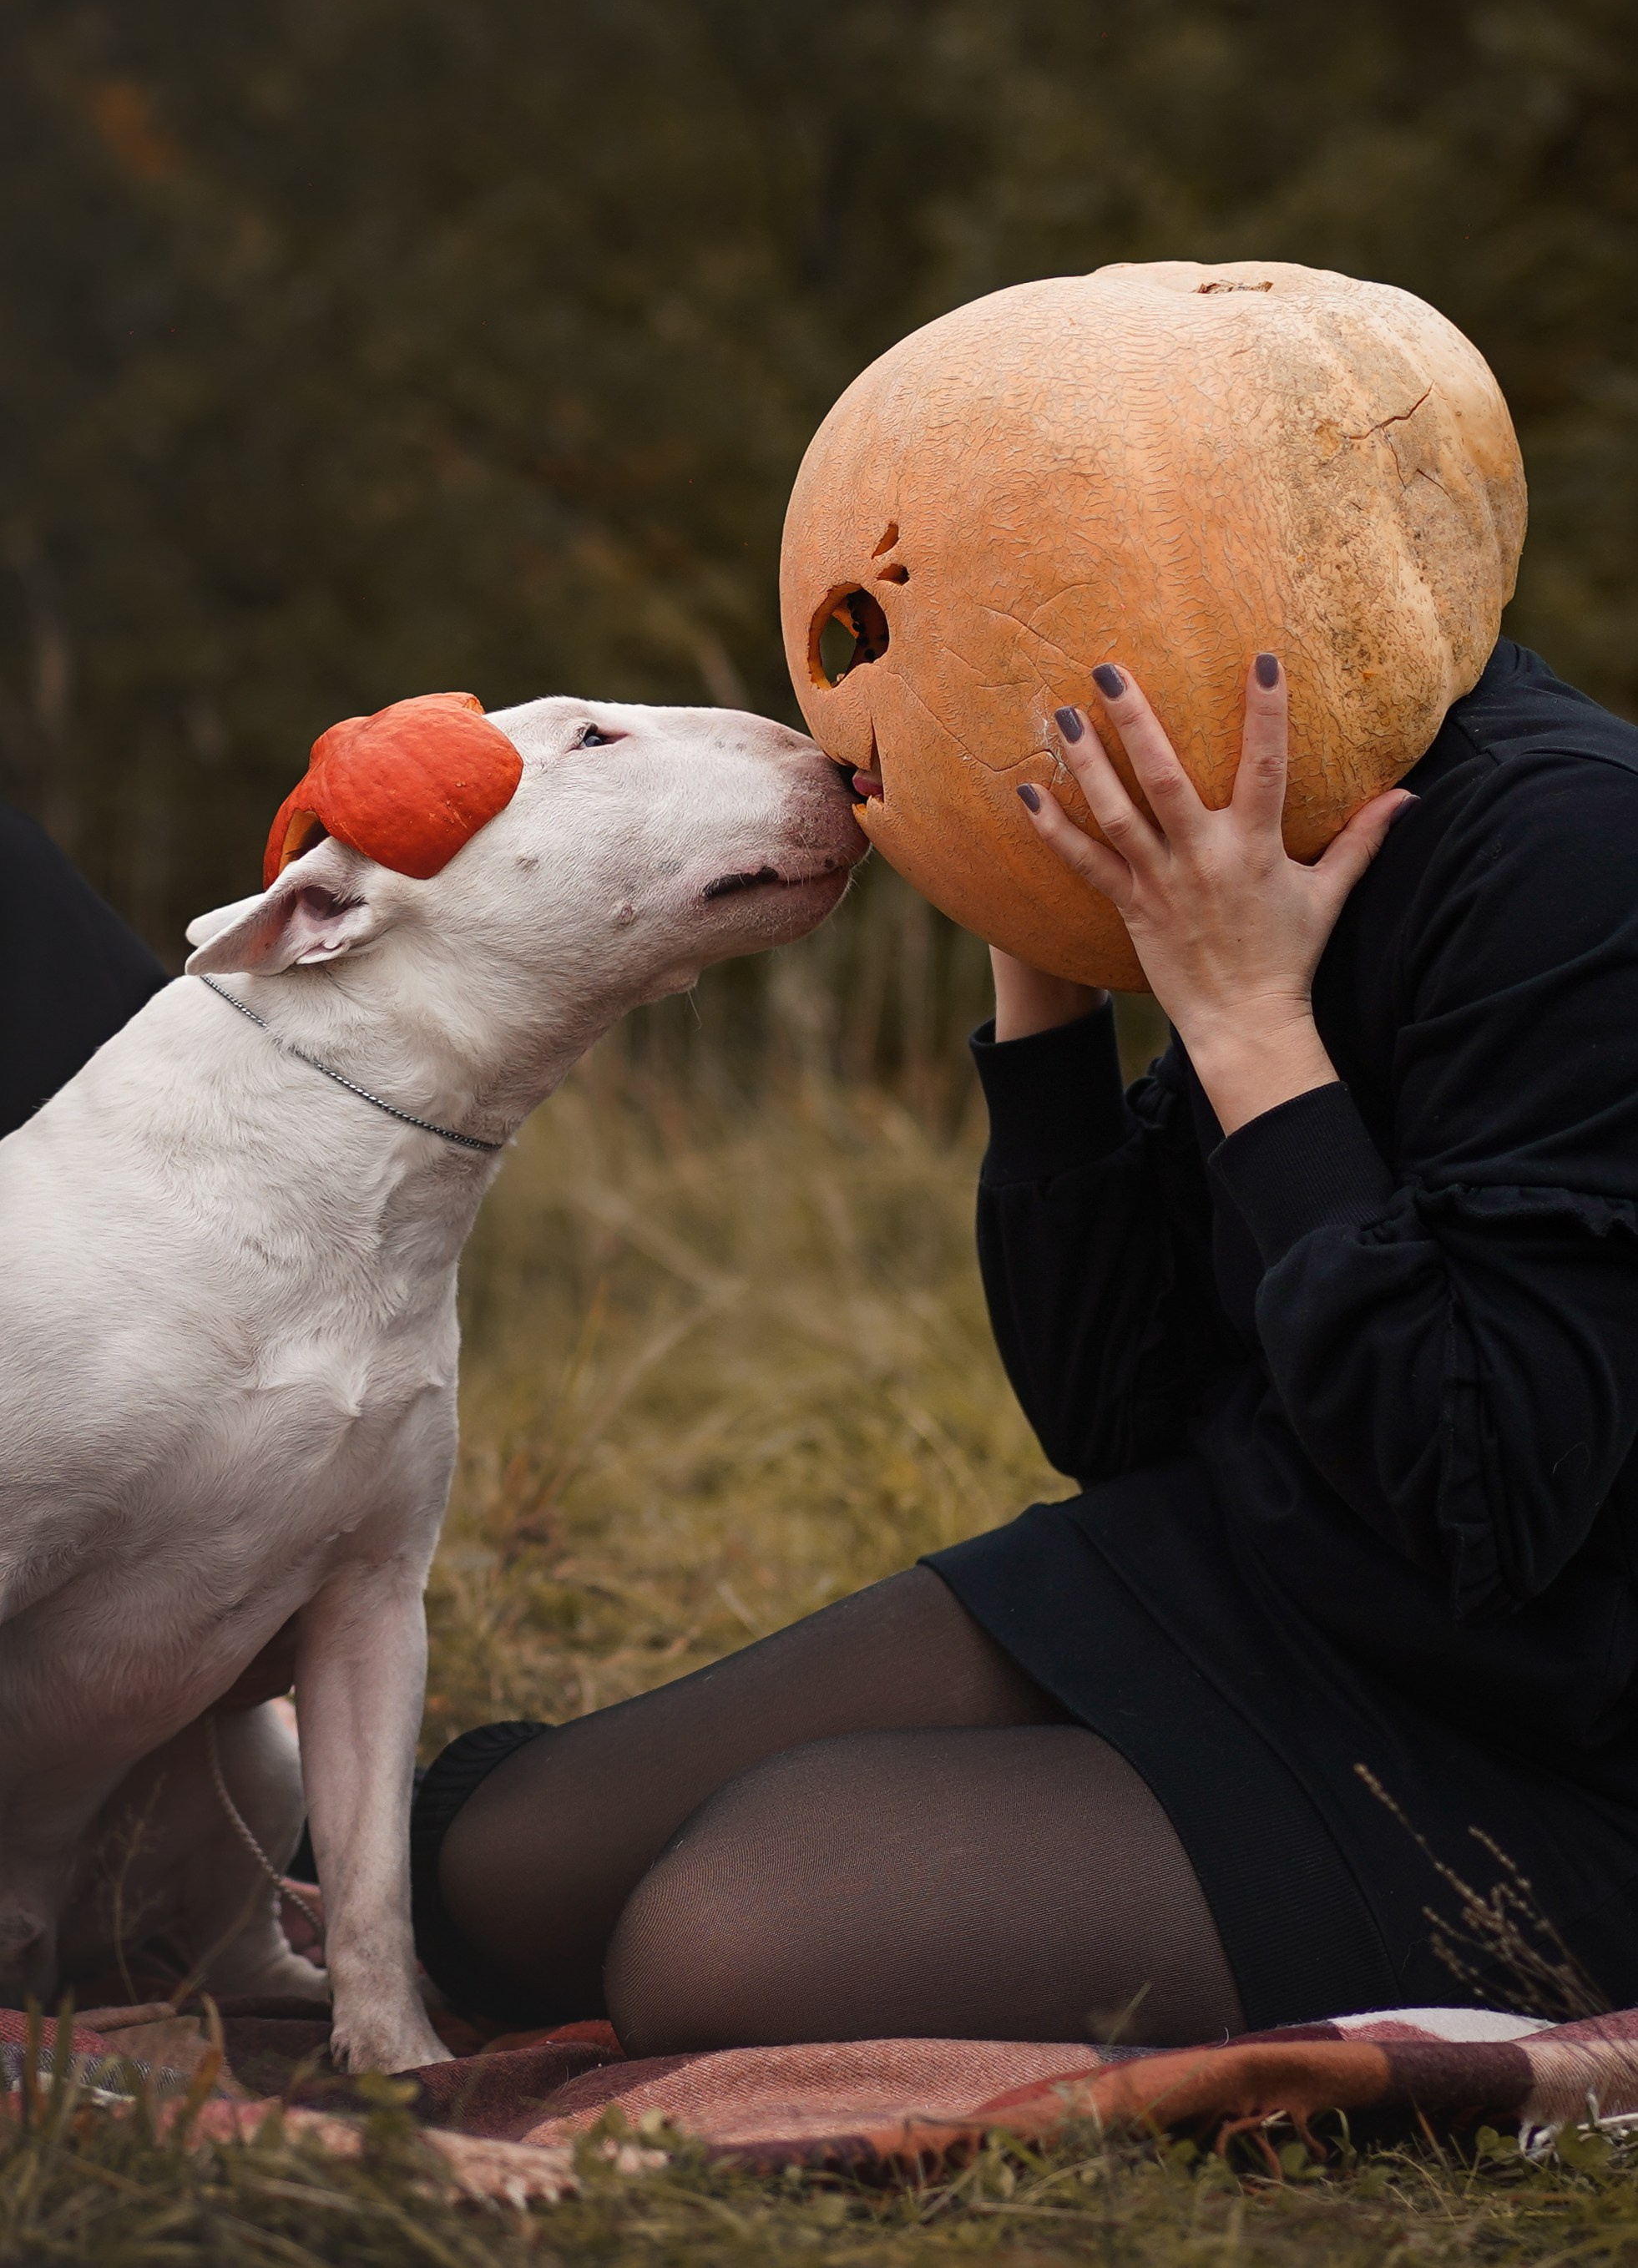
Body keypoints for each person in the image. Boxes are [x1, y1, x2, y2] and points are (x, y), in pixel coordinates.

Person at [17, 639, 1638, 2049]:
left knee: (712, 1938)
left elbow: (1475, 1486)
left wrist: (1255, 1032)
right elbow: (1110, 1401)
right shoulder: (1252, 807)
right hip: (1231, 1574)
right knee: (481, 1874)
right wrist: (1045, 957)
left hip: (1516, 1719)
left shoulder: (1569, 848)